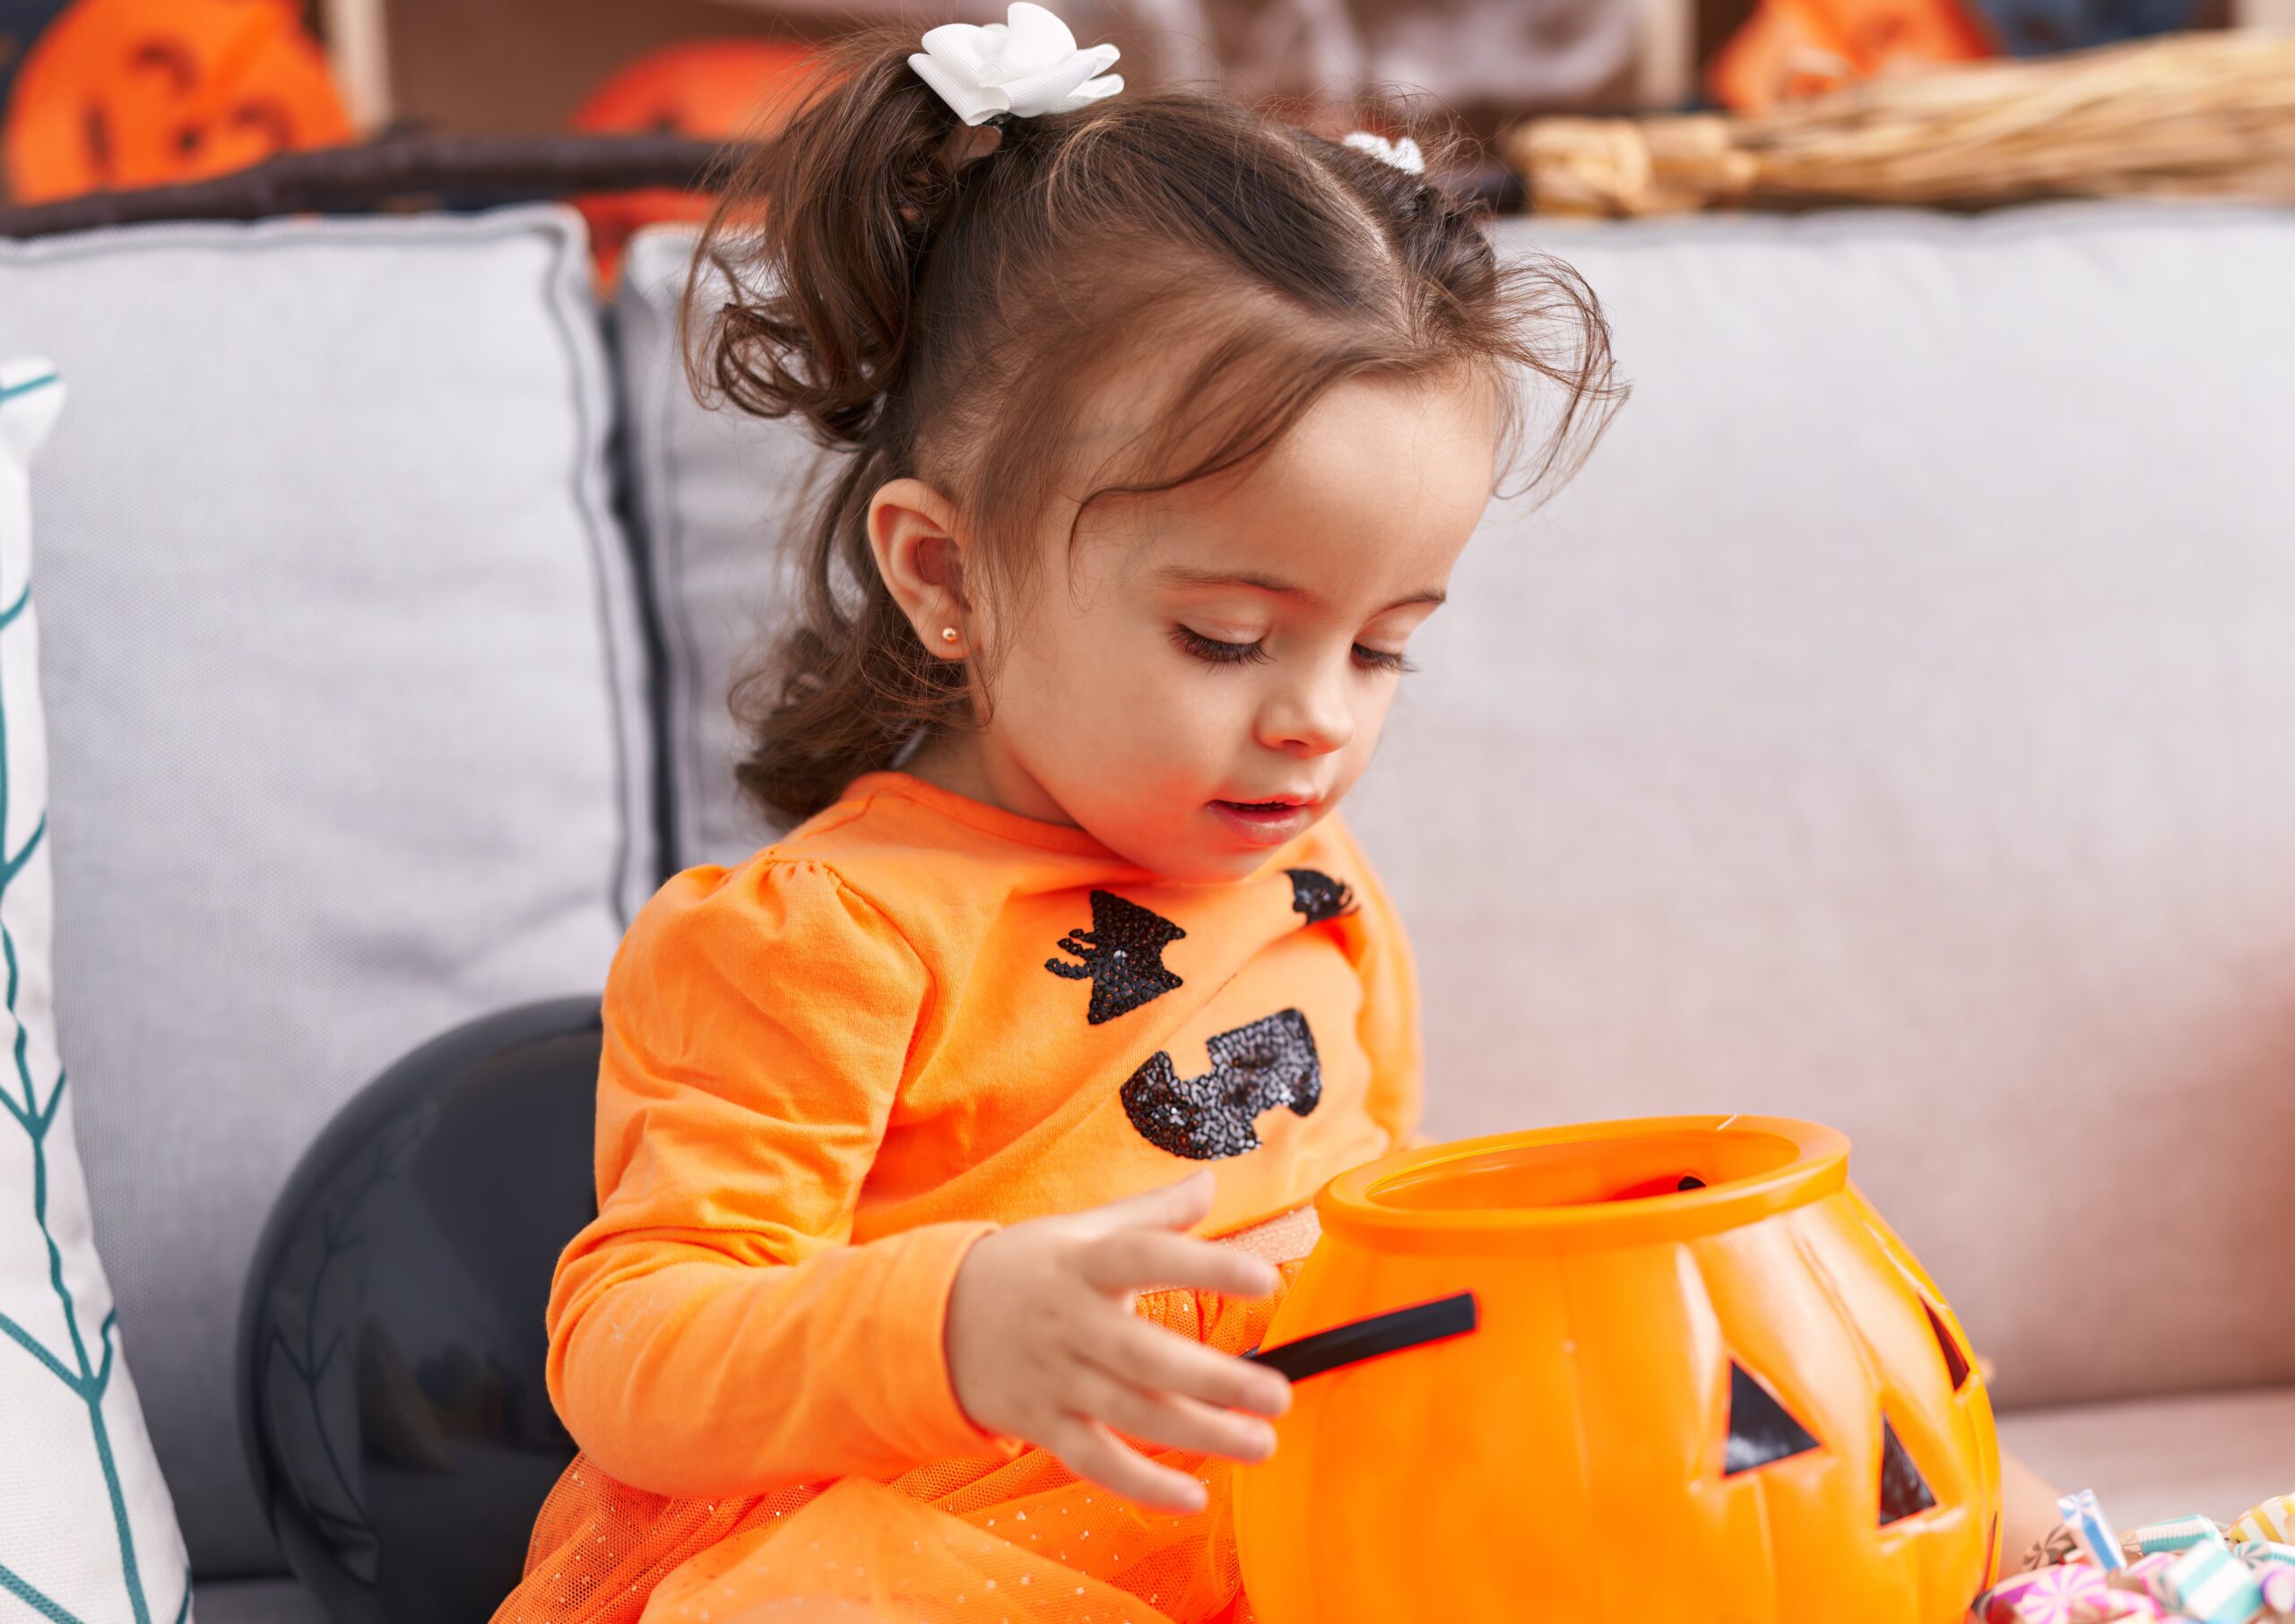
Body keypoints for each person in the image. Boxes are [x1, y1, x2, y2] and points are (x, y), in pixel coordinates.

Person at [491, 8, 2051, 1620]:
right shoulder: (827, 938)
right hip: (949, 1551)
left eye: (1384, 647)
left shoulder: (1314, 889)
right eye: (1227, 640)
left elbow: (1387, 1243)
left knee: (1831, 1468)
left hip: (1290, 1519)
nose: (1320, 715)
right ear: (945, 575)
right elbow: (627, 1349)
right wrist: (949, 1325)